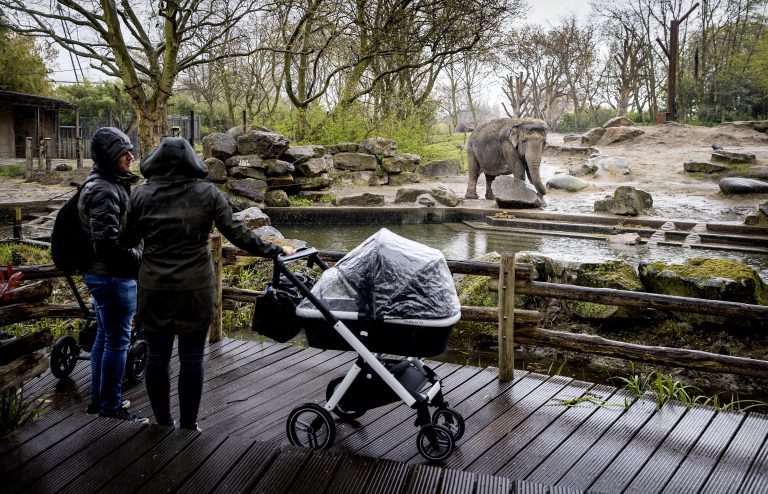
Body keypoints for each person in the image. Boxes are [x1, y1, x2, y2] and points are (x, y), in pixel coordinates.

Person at [119, 136, 295, 431]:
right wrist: (278, 249)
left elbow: (125, 240)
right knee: (191, 356)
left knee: (157, 355)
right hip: (195, 288)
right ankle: (189, 426)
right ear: (191, 161)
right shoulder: (207, 194)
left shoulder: (141, 195)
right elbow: (238, 234)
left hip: (154, 288)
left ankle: (163, 423)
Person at [78, 127, 147, 423]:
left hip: (103, 275)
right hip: (112, 276)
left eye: (130, 150)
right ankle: (110, 406)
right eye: (123, 152)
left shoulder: (105, 183)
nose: (131, 156)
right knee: (118, 341)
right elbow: (106, 243)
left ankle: (99, 400)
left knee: (105, 338)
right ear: (109, 156)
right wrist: (137, 262)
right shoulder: (105, 190)